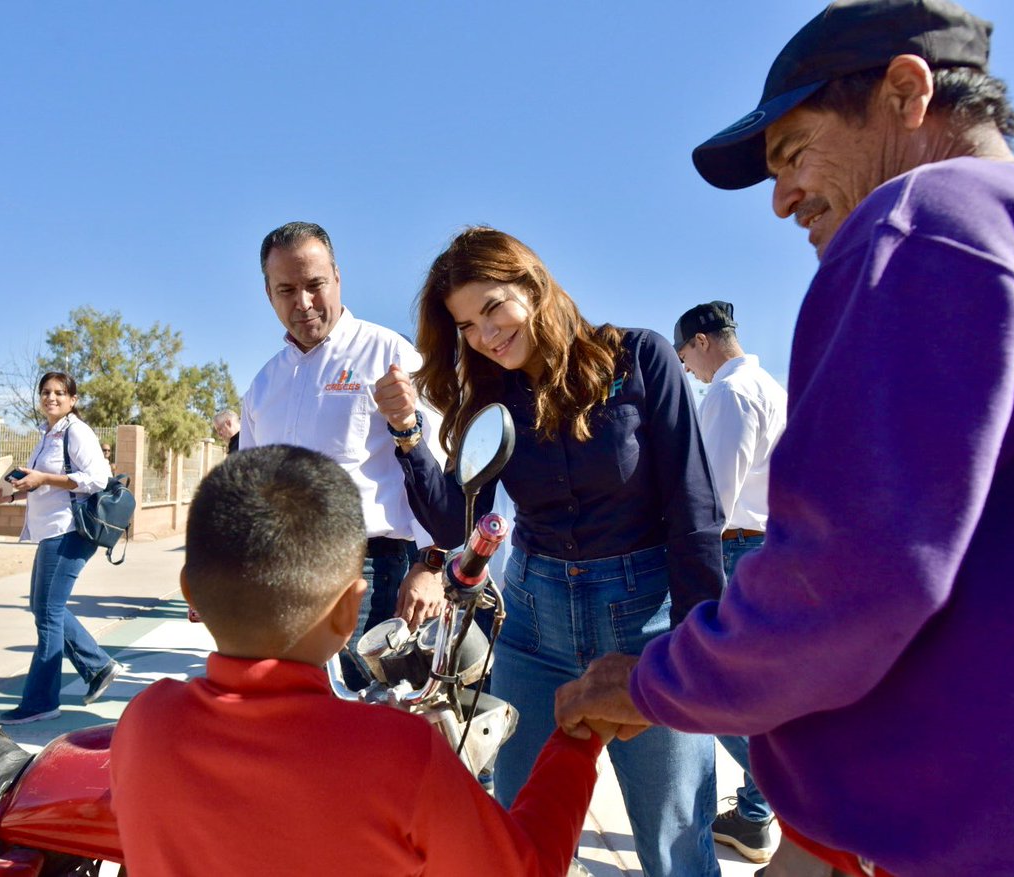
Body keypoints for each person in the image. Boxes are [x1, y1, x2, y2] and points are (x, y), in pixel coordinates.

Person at [555, 1, 1014, 875]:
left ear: (906, 91)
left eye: (793, 154)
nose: (782, 199)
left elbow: (846, 579)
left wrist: (648, 678)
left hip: (939, 834)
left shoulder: (922, 223)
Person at [373, 227, 726, 877]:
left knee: (676, 844)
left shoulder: (640, 358)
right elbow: (457, 516)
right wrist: (407, 434)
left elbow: (694, 509)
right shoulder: (492, 401)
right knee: (517, 839)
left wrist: (694, 650)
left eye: (491, 309)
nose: (483, 334)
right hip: (534, 629)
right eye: (466, 325)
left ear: (532, 286)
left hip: (646, 626)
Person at [109, 444, 611, 877]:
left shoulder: (144, 722)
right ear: (351, 607)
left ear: (189, 592)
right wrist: (577, 741)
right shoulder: (402, 754)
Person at [240, 221, 447, 687]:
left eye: (314, 284)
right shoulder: (263, 385)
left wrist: (431, 565)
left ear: (337, 276)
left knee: (369, 716)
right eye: (286, 289)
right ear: (269, 294)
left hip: (374, 570)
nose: (304, 303)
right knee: (301, 712)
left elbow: (438, 465)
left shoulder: (389, 354)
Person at [673, 300, 787, 864]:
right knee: (756, 689)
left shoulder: (728, 392)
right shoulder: (772, 386)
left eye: (684, 358)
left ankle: (787, 787)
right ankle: (755, 814)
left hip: (737, 549)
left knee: (710, 691)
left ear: (700, 341)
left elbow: (710, 496)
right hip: (770, 548)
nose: (687, 372)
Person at [0, 371, 121, 724]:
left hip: (70, 530)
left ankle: (42, 701)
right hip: (51, 531)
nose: (51, 398)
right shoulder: (47, 435)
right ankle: (98, 665)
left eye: (60, 393)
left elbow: (97, 479)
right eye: (46, 392)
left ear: (73, 399)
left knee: (47, 612)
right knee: (45, 607)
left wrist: (44, 478)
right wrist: (8, 494)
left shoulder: (77, 431)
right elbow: (40, 483)